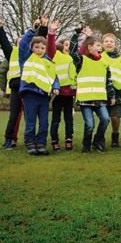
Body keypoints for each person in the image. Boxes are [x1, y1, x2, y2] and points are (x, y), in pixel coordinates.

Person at [70, 26, 116, 153]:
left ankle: (97, 142)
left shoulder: (104, 63)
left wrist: (111, 96)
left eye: (100, 46)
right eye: (97, 45)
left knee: (105, 120)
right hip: (86, 99)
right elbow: (72, 51)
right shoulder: (81, 60)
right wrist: (77, 34)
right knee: (90, 125)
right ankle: (86, 145)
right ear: (89, 48)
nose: (100, 47)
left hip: (100, 98)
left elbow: (108, 81)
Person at [18, 19, 60, 155]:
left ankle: (41, 143)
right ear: (32, 48)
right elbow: (23, 44)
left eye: (42, 48)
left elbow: (53, 76)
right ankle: (30, 142)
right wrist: (32, 30)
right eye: (36, 47)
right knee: (30, 122)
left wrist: (56, 87)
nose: (39, 50)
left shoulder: (47, 61)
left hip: (43, 96)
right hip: (30, 94)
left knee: (44, 122)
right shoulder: (26, 57)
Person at [0, 16, 29, 149]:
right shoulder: (11, 52)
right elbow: (3, 41)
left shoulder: (30, 53)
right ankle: (9, 140)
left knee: (29, 117)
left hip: (28, 88)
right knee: (13, 116)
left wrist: (40, 27)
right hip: (16, 89)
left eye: (24, 41)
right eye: (19, 41)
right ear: (16, 44)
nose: (22, 43)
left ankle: (29, 140)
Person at [47, 23, 77, 151]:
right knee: (56, 119)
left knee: (69, 119)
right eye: (66, 45)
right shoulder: (56, 55)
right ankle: (55, 141)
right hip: (58, 93)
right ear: (60, 46)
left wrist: (79, 34)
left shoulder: (72, 58)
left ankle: (68, 139)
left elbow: (78, 49)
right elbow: (50, 47)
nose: (68, 47)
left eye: (69, 45)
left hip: (70, 94)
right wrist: (52, 33)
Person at [101, 33, 121, 147]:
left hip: (119, 92)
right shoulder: (99, 57)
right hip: (103, 91)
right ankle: (100, 138)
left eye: (111, 41)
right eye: (106, 41)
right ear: (102, 44)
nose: (109, 43)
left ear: (115, 44)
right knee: (103, 117)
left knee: (115, 116)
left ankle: (115, 137)